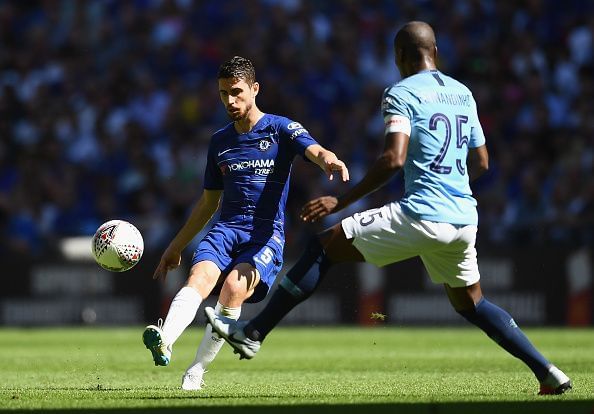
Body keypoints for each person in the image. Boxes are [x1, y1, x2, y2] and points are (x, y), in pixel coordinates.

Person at [205, 22, 572, 396]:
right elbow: (482, 162)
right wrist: (452, 189)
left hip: (423, 212)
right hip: (463, 217)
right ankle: (548, 372)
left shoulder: (400, 93)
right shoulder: (463, 94)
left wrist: (341, 201)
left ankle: (253, 332)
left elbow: (393, 160)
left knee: (323, 245)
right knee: (472, 303)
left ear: (398, 56)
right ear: (436, 52)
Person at [143, 56, 349, 391]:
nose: (230, 101)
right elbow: (208, 203)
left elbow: (312, 149)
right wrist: (175, 247)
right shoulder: (219, 142)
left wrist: (328, 157)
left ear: (255, 89)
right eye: (223, 93)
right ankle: (165, 339)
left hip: (265, 234)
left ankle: (196, 369)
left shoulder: (281, 128)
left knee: (234, 288)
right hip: (226, 228)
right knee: (200, 276)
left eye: (237, 92)